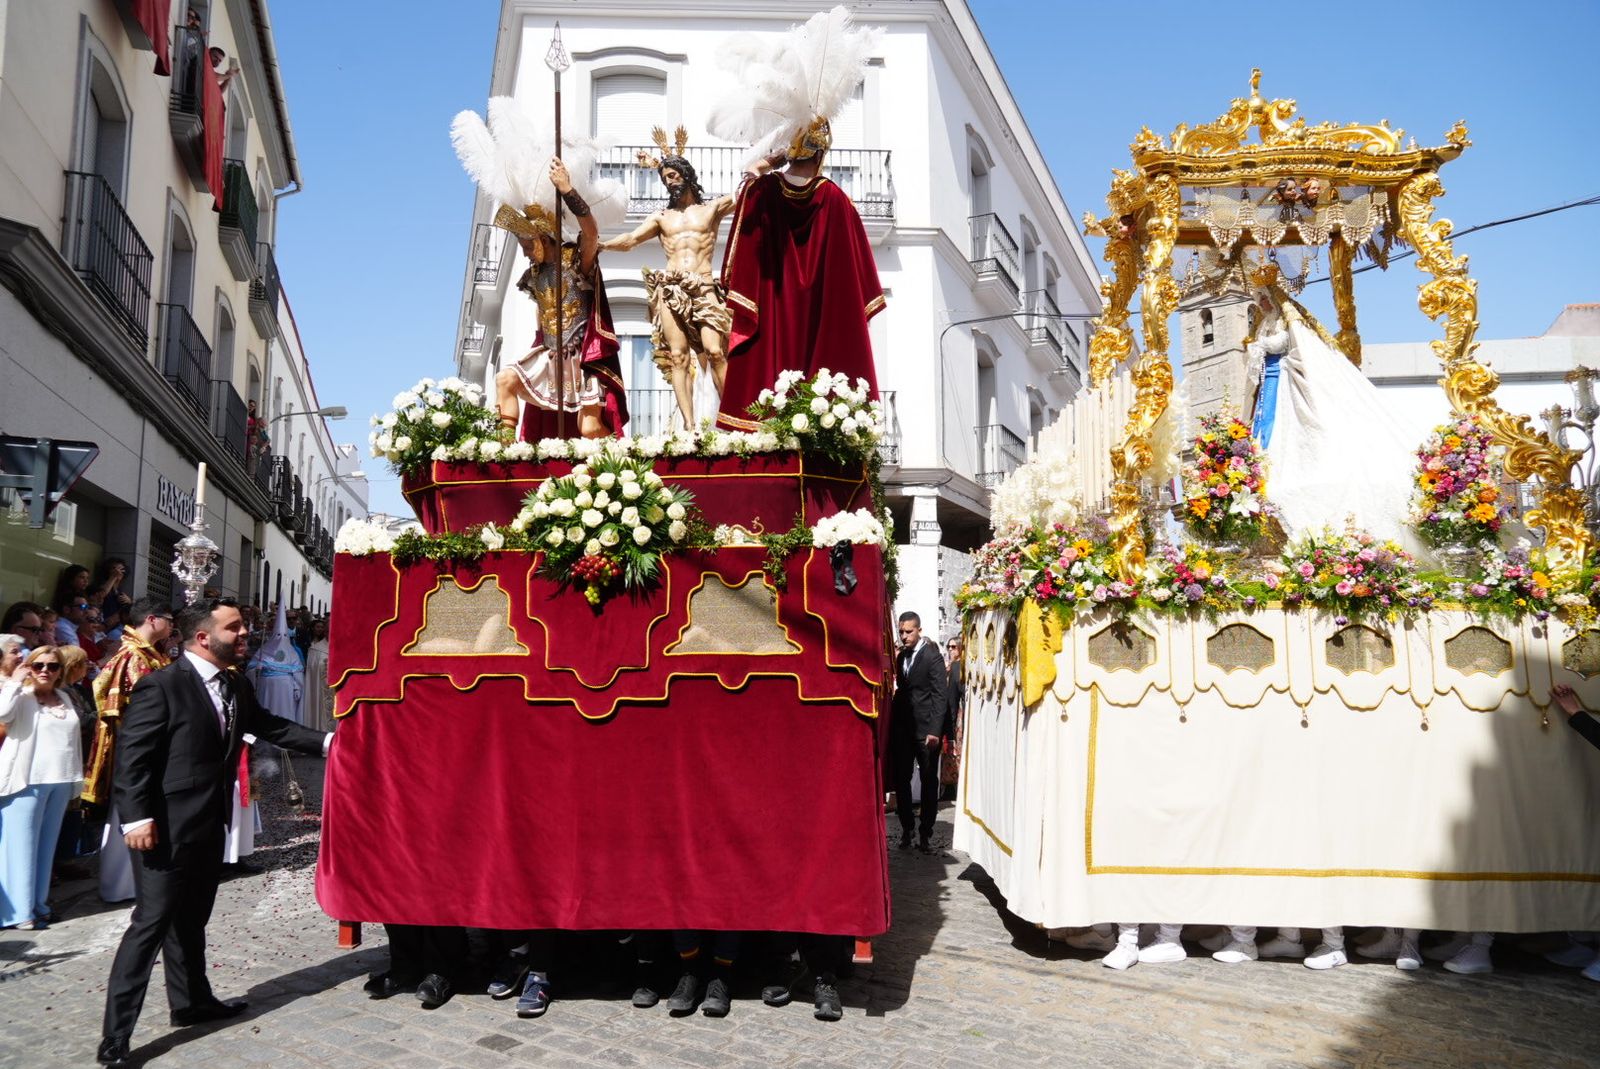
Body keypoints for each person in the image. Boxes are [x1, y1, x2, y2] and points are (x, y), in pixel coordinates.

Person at [98, 597, 332, 1066]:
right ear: (203, 637)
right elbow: (133, 758)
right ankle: (116, 1036)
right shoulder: (162, 685)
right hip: (165, 829)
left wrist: (330, 741)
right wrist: (137, 819)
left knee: (191, 920)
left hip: (210, 824)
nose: (244, 634)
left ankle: (191, 1002)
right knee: (151, 925)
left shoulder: (236, 683)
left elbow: (269, 726)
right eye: (235, 627)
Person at [713, 133, 884, 431]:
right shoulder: (837, 199)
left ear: (788, 154)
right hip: (823, 318)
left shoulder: (762, 190)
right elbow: (858, 280)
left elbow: (743, 205)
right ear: (819, 155)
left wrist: (762, 165)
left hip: (772, 309)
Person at [600, 131, 737, 430]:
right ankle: (689, 426)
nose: (670, 182)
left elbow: (746, 194)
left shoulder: (711, 209)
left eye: (673, 176)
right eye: (665, 179)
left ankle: (732, 420)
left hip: (703, 286)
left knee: (715, 351)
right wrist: (601, 245)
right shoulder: (661, 217)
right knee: (677, 356)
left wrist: (765, 168)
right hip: (671, 289)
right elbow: (631, 240)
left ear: (686, 174)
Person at [494, 158, 629, 441]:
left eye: (527, 245)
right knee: (505, 379)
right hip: (550, 355)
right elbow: (540, 323)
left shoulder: (576, 260)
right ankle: (502, 451)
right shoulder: (533, 275)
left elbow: (591, 233)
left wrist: (567, 190)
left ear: (543, 239)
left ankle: (615, 454)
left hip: (582, 357)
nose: (525, 253)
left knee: (590, 429)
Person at [84, 598, 173, 905]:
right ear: (152, 619)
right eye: (168, 619)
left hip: (150, 743)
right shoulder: (134, 656)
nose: (172, 625)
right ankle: (122, 884)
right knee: (132, 810)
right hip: (138, 745)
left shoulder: (150, 654)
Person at [0, 647, 85, 930]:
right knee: (20, 848)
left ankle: (39, 904)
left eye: (52, 666)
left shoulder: (64, 697)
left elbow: (73, 740)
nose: (45, 671)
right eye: (38, 665)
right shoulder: (20, 696)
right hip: (26, 780)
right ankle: (17, 912)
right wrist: (14, 681)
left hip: (60, 779)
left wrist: (76, 778)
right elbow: (2, 713)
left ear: (61, 670)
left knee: (46, 848)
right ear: (29, 667)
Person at [890, 611, 949, 853]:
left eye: (908, 632)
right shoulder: (902, 657)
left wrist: (935, 730)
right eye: (901, 632)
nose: (904, 636)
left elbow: (940, 695)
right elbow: (903, 691)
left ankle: (926, 833)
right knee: (901, 779)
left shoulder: (932, 657)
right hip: (904, 730)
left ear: (919, 630)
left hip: (926, 732)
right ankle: (907, 829)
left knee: (927, 781)